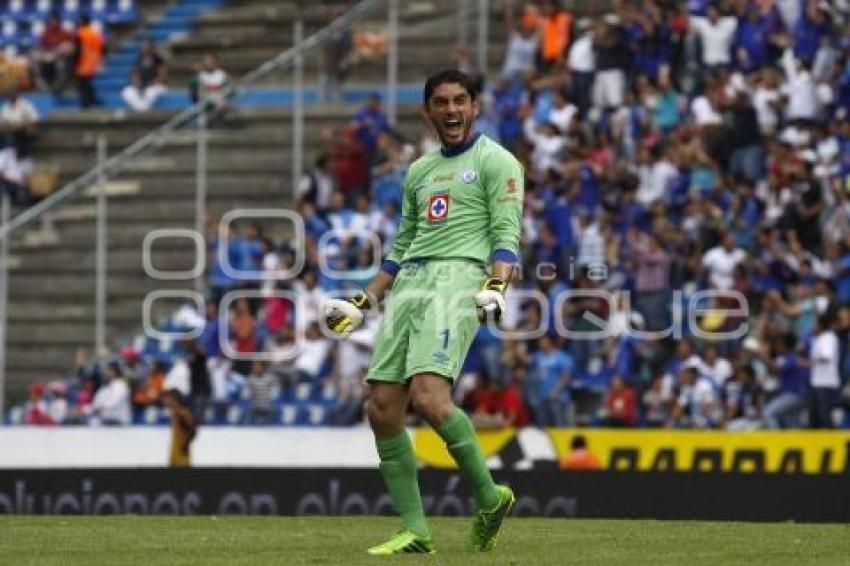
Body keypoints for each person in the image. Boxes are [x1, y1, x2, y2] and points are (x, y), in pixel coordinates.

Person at [323, 70, 522, 555]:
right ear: (427, 111)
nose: (451, 110)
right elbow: (404, 243)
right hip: (410, 284)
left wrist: (497, 284)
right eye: (441, 102)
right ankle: (416, 531)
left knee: (430, 397)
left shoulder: (497, 161)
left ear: (475, 106)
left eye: (460, 101)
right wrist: (364, 297)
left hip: (459, 279)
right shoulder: (419, 171)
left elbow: (506, 234)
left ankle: (491, 497)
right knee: (383, 409)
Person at [74, 15, 104, 109]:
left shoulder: (81, 33)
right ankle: (93, 100)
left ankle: (87, 102)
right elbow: (103, 48)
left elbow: (77, 50)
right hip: (94, 60)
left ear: (82, 21)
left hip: (83, 61)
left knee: (82, 83)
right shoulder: (96, 33)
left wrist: (75, 63)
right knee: (86, 81)